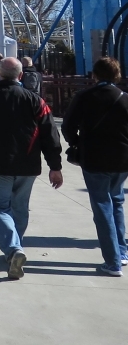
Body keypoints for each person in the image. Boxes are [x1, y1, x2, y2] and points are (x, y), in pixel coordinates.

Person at [0, 57, 63, 280]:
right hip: (27, 164)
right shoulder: (35, 101)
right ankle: (15, 246)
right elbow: (50, 134)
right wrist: (55, 166)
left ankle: (13, 248)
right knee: (20, 207)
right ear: (21, 75)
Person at [61, 56, 128, 276]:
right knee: (116, 201)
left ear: (95, 74)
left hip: (94, 157)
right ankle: (122, 251)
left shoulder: (84, 97)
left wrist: (75, 143)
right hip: (122, 158)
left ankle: (112, 261)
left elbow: (69, 126)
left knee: (102, 206)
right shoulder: (124, 98)